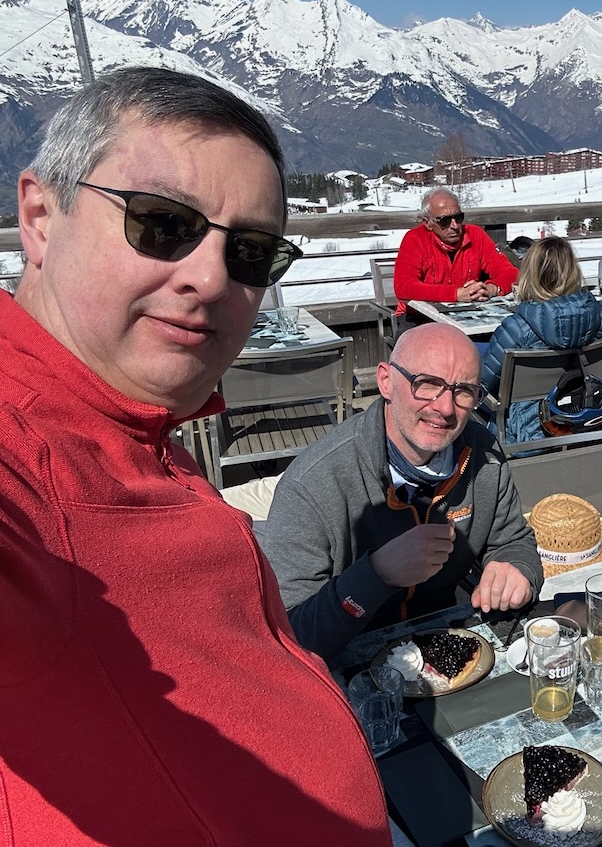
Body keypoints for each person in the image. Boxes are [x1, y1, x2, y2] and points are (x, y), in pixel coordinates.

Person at [0, 66, 389, 844]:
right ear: (40, 218)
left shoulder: (140, 430)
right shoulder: (25, 466)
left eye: (250, 252)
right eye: (162, 223)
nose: (211, 278)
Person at [259, 322, 543, 661]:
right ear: (385, 381)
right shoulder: (312, 483)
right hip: (350, 660)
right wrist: (376, 574)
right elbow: (288, 634)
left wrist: (517, 568)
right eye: (427, 384)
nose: (446, 408)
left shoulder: (484, 453)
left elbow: (513, 539)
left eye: (463, 391)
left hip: (449, 642)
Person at [480, 236, 602, 444]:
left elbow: (482, 383)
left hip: (526, 436)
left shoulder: (516, 329)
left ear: (530, 274)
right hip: (585, 425)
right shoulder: (600, 317)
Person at [393, 187, 518, 318]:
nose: (455, 226)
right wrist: (455, 294)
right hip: (419, 316)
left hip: (467, 314)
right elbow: (403, 286)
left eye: (458, 218)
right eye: (444, 221)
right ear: (428, 223)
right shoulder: (415, 239)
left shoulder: (475, 235)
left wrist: (491, 289)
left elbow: (512, 273)